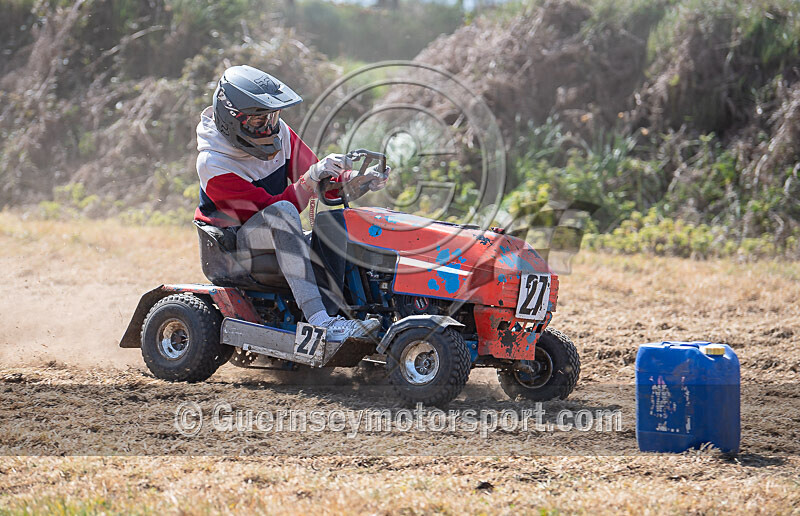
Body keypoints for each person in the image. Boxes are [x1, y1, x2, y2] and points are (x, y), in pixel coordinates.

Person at [194, 65, 388, 342]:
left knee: (336, 224)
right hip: (236, 249)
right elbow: (274, 211)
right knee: (283, 212)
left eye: (273, 117)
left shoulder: (279, 133)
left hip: (272, 234)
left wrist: (359, 179)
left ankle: (351, 315)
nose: (269, 127)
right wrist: (311, 178)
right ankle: (320, 322)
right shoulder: (214, 164)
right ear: (232, 119)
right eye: (259, 121)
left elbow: (320, 183)